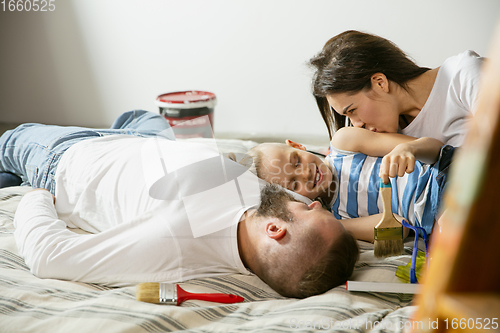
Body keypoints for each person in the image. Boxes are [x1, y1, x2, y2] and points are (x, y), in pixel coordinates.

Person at [1, 110, 359, 299]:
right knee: (139, 116)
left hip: (65, 157)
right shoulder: (270, 211)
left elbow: (51, 257)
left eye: (311, 212)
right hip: (145, 142)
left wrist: (36, 200)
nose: (312, 204)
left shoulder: (173, 241)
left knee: (10, 140)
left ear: (276, 230)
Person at [243, 129, 455, 242]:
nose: (305, 173)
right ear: (293, 200)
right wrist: (336, 227)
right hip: (433, 218)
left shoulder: (345, 144)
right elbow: (400, 229)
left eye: (297, 161)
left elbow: (436, 147)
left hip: (444, 173)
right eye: (294, 183)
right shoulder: (336, 218)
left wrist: (409, 149)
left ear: (297, 146)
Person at [309, 30, 484, 147]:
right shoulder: (391, 140)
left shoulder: (463, 74)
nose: (356, 125)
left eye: (352, 110)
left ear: (380, 82)